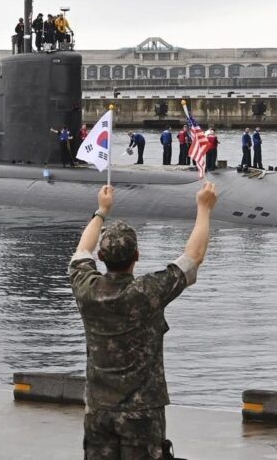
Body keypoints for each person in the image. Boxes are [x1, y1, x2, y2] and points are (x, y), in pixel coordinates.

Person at [69, 181, 215, 459]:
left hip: (98, 411)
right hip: (142, 414)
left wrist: (101, 211)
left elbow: (81, 251)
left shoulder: (87, 289)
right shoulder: (147, 292)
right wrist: (204, 207)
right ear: (136, 255)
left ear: (101, 257)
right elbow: (194, 257)